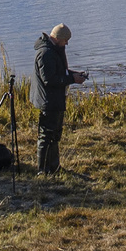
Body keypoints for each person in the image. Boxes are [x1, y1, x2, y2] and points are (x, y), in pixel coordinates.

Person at [33, 22, 89, 174]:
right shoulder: (46, 53)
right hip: (48, 101)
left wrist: (73, 75)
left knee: (54, 135)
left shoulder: (53, 50)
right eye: (66, 41)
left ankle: (54, 168)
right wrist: (72, 80)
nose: (67, 43)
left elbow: (59, 72)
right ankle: (43, 170)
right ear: (58, 38)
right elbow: (49, 80)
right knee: (46, 135)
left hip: (54, 99)